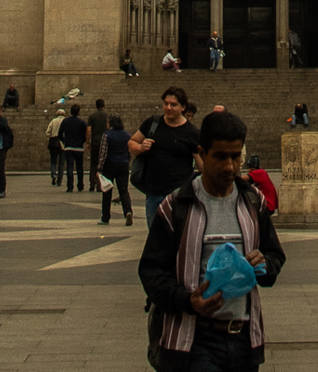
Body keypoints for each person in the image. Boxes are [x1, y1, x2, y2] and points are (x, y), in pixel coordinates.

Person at [139, 107, 286, 371]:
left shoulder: (254, 202)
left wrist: (264, 264)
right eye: (220, 156)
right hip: (193, 341)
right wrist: (187, 300)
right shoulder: (175, 207)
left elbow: (274, 256)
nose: (230, 166)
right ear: (202, 154)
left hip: (242, 338)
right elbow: (150, 271)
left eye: (236, 157)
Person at [129, 86, 202, 226]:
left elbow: (201, 164)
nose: (168, 108)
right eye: (166, 104)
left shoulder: (192, 132)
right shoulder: (153, 123)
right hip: (154, 192)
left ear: (183, 107)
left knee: (180, 234)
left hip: (179, 193)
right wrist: (140, 147)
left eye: (173, 105)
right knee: (155, 234)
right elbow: (131, 142)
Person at [98, 111, 134, 226]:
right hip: (123, 164)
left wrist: (99, 168)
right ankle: (128, 211)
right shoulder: (127, 134)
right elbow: (129, 151)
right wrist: (127, 160)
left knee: (107, 190)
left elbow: (103, 152)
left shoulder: (107, 134)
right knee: (123, 190)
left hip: (110, 164)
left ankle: (105, 217)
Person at [59, 101, 89, 192]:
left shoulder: (65, 121)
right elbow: (85, 135)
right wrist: (82, 142)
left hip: (69, 147)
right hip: (79, 147)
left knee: (69, 167)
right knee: (80, 167)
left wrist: (65, 142)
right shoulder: (82, 122)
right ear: (78, 112)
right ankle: (80, 185)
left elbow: (60, 134)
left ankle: (70, 186)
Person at [88, 96, 110, 175]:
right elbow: (108, 128)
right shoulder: (106, 116)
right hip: (104, 142)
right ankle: (101, 183)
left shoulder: (92, 116)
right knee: (104, 162)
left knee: (93, 162)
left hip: (95, 141)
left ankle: (92, 183)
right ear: (104, 105)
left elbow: (89, 130)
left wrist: (88, 142)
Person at [45, 107, 65, 184]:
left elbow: (47, 132)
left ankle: (53, 174)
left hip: (53, 142)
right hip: (62, 143)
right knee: (61, 162)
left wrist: (52, 135)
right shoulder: (65, 121)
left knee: (53, 161)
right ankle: (60, 179)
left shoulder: (53, 121)